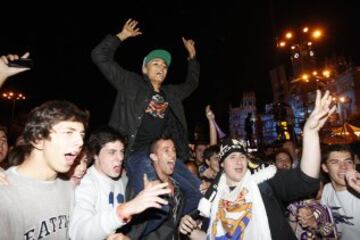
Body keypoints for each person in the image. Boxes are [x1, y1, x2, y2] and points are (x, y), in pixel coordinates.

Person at [179, 90, 336, 240]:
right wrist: (189, 230)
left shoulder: (263, 181)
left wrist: (310, 133)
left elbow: (306, 181)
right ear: (222, 165)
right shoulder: (214, 198)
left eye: (242, 156)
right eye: (232, 157)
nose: (239, 161)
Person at [91, 18, 201, 217]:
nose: (161, 68)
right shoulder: (131, 83)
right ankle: (134, 231)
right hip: (135, 152)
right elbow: (100, 57)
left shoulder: (171, 94)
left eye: (165, 66)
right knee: (156, 199)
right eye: (155, 63)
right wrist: (121, 37)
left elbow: (191, 84)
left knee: (197, 193)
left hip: (160, 154)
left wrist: (192, 58)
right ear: (145, 68)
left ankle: (174, 222)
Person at [0, 100, 89, 240]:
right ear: (38, 139)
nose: (80, 142)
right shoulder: (5, 193)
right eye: (68, 132)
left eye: (82, 135)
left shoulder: (68, 187)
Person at [69, 127, 171, 240]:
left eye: (122, 152)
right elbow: (78, 234)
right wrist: (124, 210)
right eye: (112, 152)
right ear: (95, 154)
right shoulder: (86, 183)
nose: (120, 158)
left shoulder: (123, 179)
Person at [126, 137, 187, 239]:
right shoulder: (143, 188)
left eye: (174, 150)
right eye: (166, 150)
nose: (172, 155)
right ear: (154, 156)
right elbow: (133, 226)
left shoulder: (178, 189)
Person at [321, 144, 360, 239]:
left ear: (354, 166)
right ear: (325, 168)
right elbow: (327, 226)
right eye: (335, 162)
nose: (343, 167)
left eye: (348, 162)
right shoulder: (327, 189)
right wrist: (315, 223)